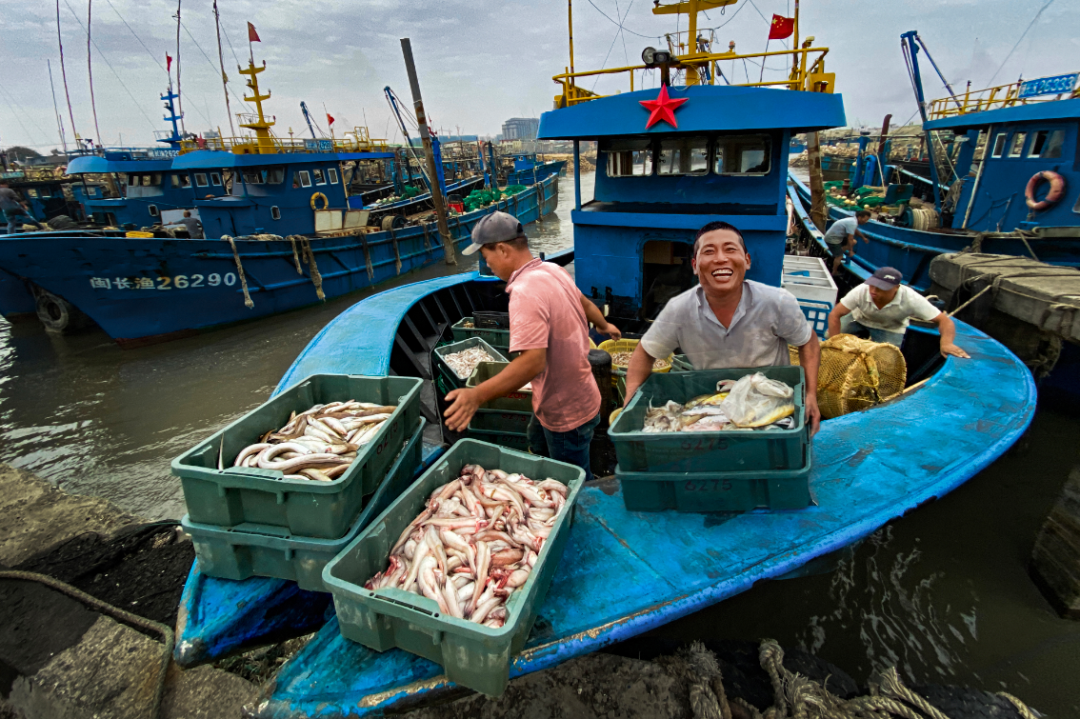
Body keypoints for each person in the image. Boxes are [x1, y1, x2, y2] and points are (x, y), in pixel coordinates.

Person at [443, 212, 620, 480]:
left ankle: (583, 506)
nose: (487, 263)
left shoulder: (524, 291)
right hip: (579, 396)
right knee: (536, 441)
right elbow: (584, 303)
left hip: (566, 413)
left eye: (485, 255)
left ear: (502, 249)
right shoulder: (552, 269)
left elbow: (533, 362)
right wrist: (603, 324)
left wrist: (476, 395)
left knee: (572, 480)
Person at [624, 220, 822, 435]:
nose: (720, 259)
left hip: (771, 402)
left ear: (747, 261)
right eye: (709, 252)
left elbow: (808, 342)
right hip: (713, 402)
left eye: (730, 250)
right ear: (694, 265)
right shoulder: (678, 310)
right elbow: (644, 354)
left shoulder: (777, 302)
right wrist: (630, 406)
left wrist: (810, 394)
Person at [827, 266, 969, 358]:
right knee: (829, 336)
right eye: (873, 286)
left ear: (896, 288)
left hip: (889, 328)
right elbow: (835, 314)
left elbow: (944, 320)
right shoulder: (861, 290)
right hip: (858, 319)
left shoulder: (910, 298)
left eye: (881, 288)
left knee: (887, 361)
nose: (874, 291)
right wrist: (835, 342)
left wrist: (946, 343)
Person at [824, 210, 870, 276]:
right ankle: (834, 272)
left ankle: (836, 252)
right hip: (832, 239)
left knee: (854, 242)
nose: (865, 221)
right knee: (840, 256)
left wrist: (863, 237)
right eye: (865, 219)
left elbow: (855, 230)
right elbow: (850, 238)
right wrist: (851, 251)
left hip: (838, 237)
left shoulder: (853, 220)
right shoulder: (853, 222)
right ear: (859, 217)